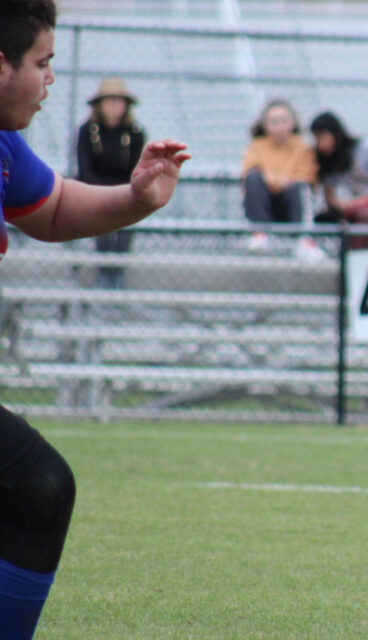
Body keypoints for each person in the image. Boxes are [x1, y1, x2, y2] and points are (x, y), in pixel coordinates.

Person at [0, 2, 190, 637]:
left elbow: (51, 208)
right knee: (37, 485)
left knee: (39, 487)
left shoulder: (3, 144)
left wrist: (136, 197)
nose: (52, 78)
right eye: (43, 62)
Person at [76, 76, 146, 289]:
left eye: (119, 100)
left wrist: (124, 193)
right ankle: (104, 272)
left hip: (125, 190)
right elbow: (84, 166)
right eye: (109, 100)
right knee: (102, 224)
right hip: (95, 189)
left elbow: (137, 169)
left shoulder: (135, 133)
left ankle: (118, 272)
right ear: (99, 104)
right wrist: (102, 193)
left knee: (126, 224)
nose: (114, 105)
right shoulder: (87, 131)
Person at [240, 98, 320, 257]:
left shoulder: (303, 147)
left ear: (293, 122)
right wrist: (278, 181)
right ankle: (260, 234)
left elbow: (308, 175)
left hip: (291, 203)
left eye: (284, 121)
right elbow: (249, 170)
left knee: (299, 187)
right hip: (265, 203)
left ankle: (303, 239)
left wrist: (280, 181)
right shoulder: (257, 146)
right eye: (274, 122)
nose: (280, 127)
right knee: (254, 178)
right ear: (265, 125)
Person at [309, 111, 368, 230]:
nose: (320, 144)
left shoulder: (367, 147)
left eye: (322, 137)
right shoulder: (330, 161)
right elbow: (330, 198)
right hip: (361, 205)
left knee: (362, 218)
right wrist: (342, 204)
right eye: (316, 139)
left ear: (336, 134)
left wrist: (357, 202)